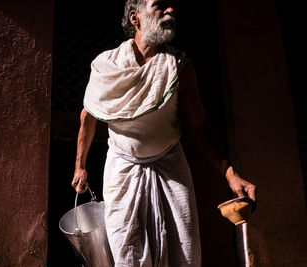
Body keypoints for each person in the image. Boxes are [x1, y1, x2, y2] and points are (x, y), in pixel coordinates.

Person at [71, 0, 257, 266]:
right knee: (128, 255)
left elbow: (200, 127)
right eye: (159, 5)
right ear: (136, 18)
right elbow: (87, 116)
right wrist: (80, 166)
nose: (170, 10)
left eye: (171, 6)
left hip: (170, 168)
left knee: (184, 254)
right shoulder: (105, 66)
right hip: (122, 171)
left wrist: (230, 173)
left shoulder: (178, 68)